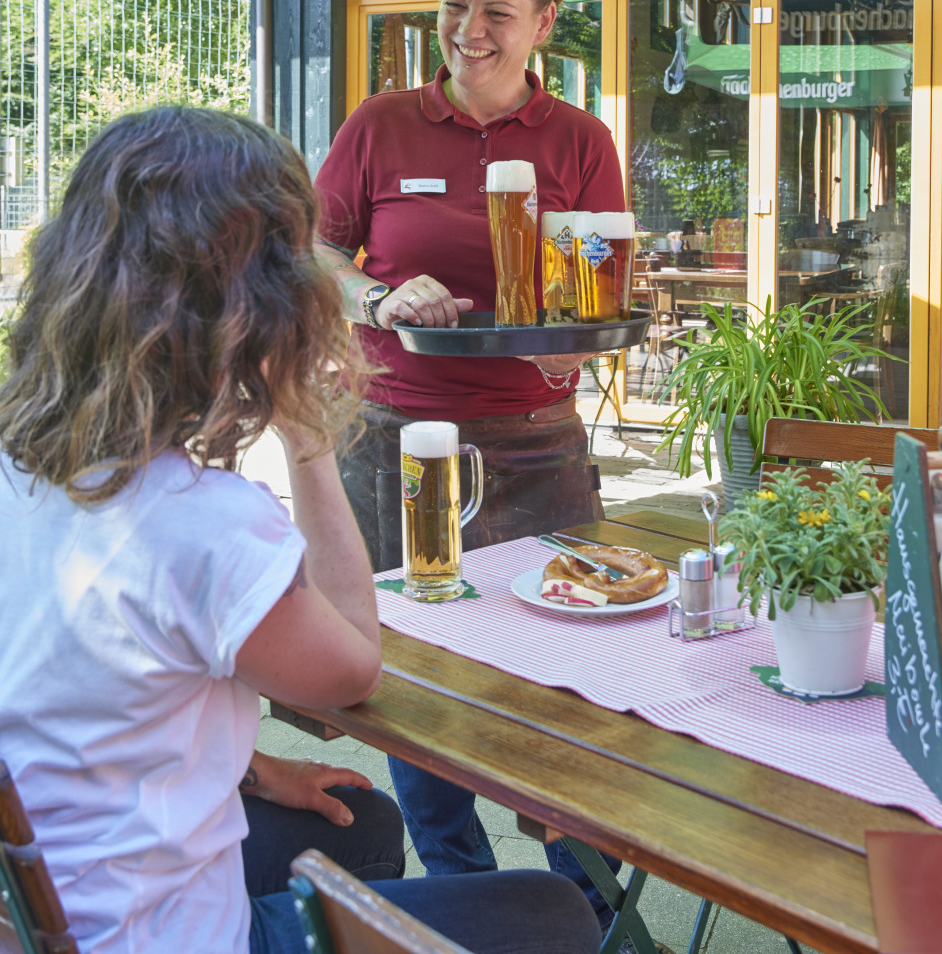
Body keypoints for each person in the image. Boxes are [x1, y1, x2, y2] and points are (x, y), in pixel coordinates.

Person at [0, 106, 601, 954]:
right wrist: (308, 438)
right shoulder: (199, 522)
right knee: (552, 912)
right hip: (159, 936)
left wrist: (249, 770)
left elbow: (69, 692)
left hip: (49, 896)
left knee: (358, 822)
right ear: (258, 304)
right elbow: (352, 670)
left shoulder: (21, 470)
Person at [314, 0, 626, 926]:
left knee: (563, 678)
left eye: (496, 11)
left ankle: (580, 900)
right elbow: (305, 252)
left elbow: (606, 279)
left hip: (536, 444)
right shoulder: (379, 123)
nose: (468, 29)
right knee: (414, 677)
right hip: (395, 434)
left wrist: (574, 332)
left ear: (543, 21)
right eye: (454, 5)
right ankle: (458, 895)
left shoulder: (580, 140)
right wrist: (375, 299)